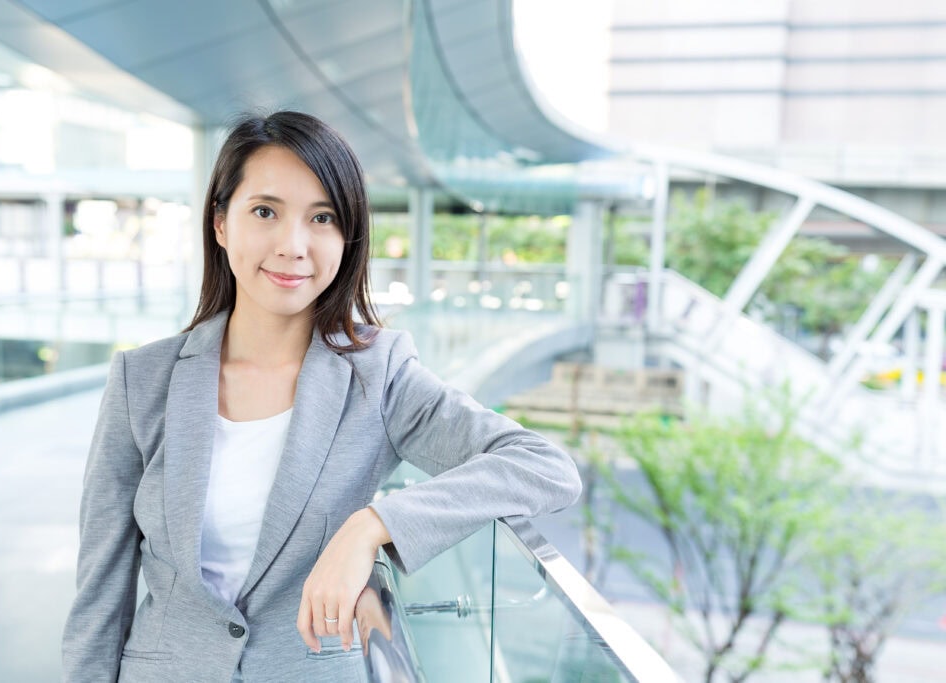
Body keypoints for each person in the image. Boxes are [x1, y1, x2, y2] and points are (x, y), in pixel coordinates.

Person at [61, 111, 582, 682]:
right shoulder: (143, 381)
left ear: (347, 236)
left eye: (322, 217)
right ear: (220, 223)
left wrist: (372, 525)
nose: (293, 245)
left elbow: (544, 468)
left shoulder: (378, 374)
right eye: (265, 211)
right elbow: (99, 595)